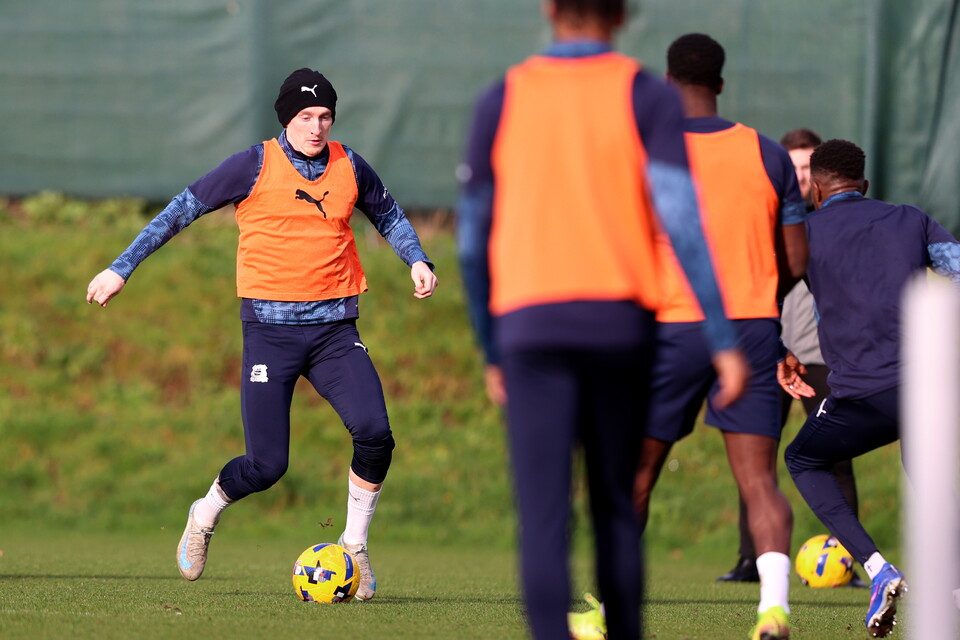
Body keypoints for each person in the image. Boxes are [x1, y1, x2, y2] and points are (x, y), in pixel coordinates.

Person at [86, 68, 438, 600]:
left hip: (334, 332)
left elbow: (388, 215)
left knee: (375, 431)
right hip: (269, 336)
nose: (316, 127)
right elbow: (181, 211)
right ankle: (204, 513)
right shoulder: (253, 165)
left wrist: (417, 258)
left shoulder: (350, 165)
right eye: (305, 117)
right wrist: (121, 268)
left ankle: (355, 544)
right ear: (286, 119)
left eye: (324, 116)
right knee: (268, 465)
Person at [457, 5, 747, 639]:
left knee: (543, 515)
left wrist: (489, 344)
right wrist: (722, 335)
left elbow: (472, 241)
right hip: (620, 322)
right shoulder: (647, 95)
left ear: (548, 8)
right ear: (624, 13)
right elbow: (682, 219)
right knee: (615, 507)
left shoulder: (502, 97)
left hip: (531, 325)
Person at [630, 33, 807, 640]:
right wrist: (764, 299)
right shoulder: (767, 153)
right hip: (752, 324)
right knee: (759, 479)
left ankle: (605, 606)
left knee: (637, 472)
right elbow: (797, 258)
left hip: (674, 324)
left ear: (666, 82)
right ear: (721, 84)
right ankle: (774, 610)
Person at [781, 138, 960, 637]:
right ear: (865, 185)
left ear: (815, 189)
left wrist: (779, 350)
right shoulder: (910, 218)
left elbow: (760, 289)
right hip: (926, 387)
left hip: (861, 394)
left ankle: (879, 569)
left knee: (803, 459)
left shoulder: (806, 231)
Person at [717, 128, 867, 589]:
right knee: (755, 454)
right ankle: (751, 560)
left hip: (823, 356)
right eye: (793, 166)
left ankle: (848, 559)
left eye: (808, 167)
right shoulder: (768, 220)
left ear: (821, 177)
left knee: (836, 457)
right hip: (770, 352)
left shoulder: (838, 222)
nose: (800, 176)